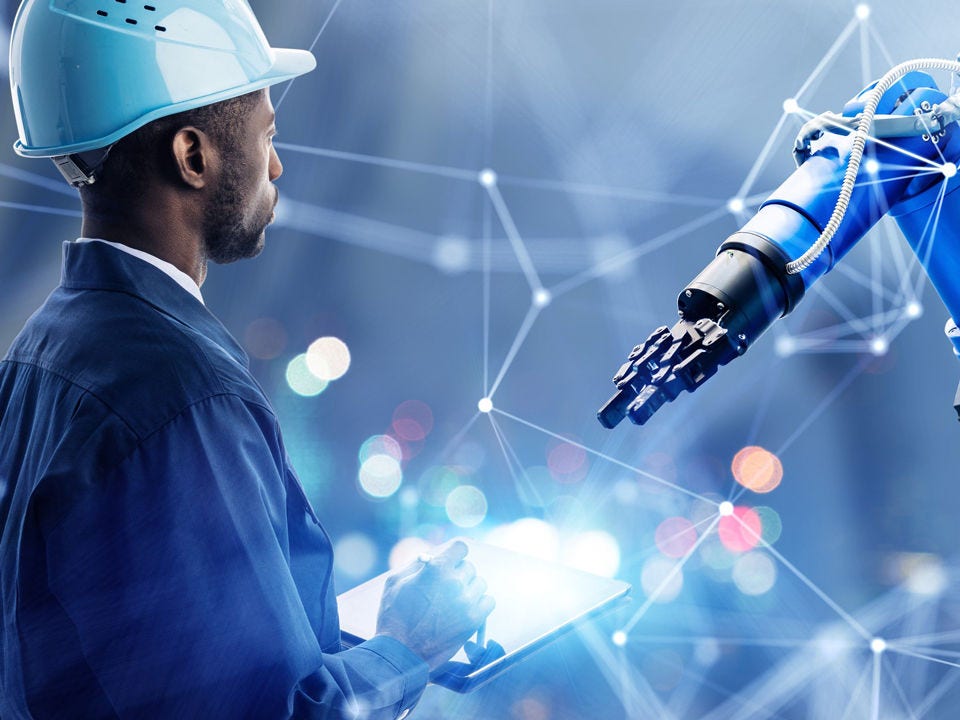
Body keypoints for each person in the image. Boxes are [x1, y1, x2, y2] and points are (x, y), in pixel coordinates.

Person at [0, 2, 493, 718]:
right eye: (266, 134)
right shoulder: (181, 392)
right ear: (193, 155)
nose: (278, 163)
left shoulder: (42, 351)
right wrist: (407, 646)